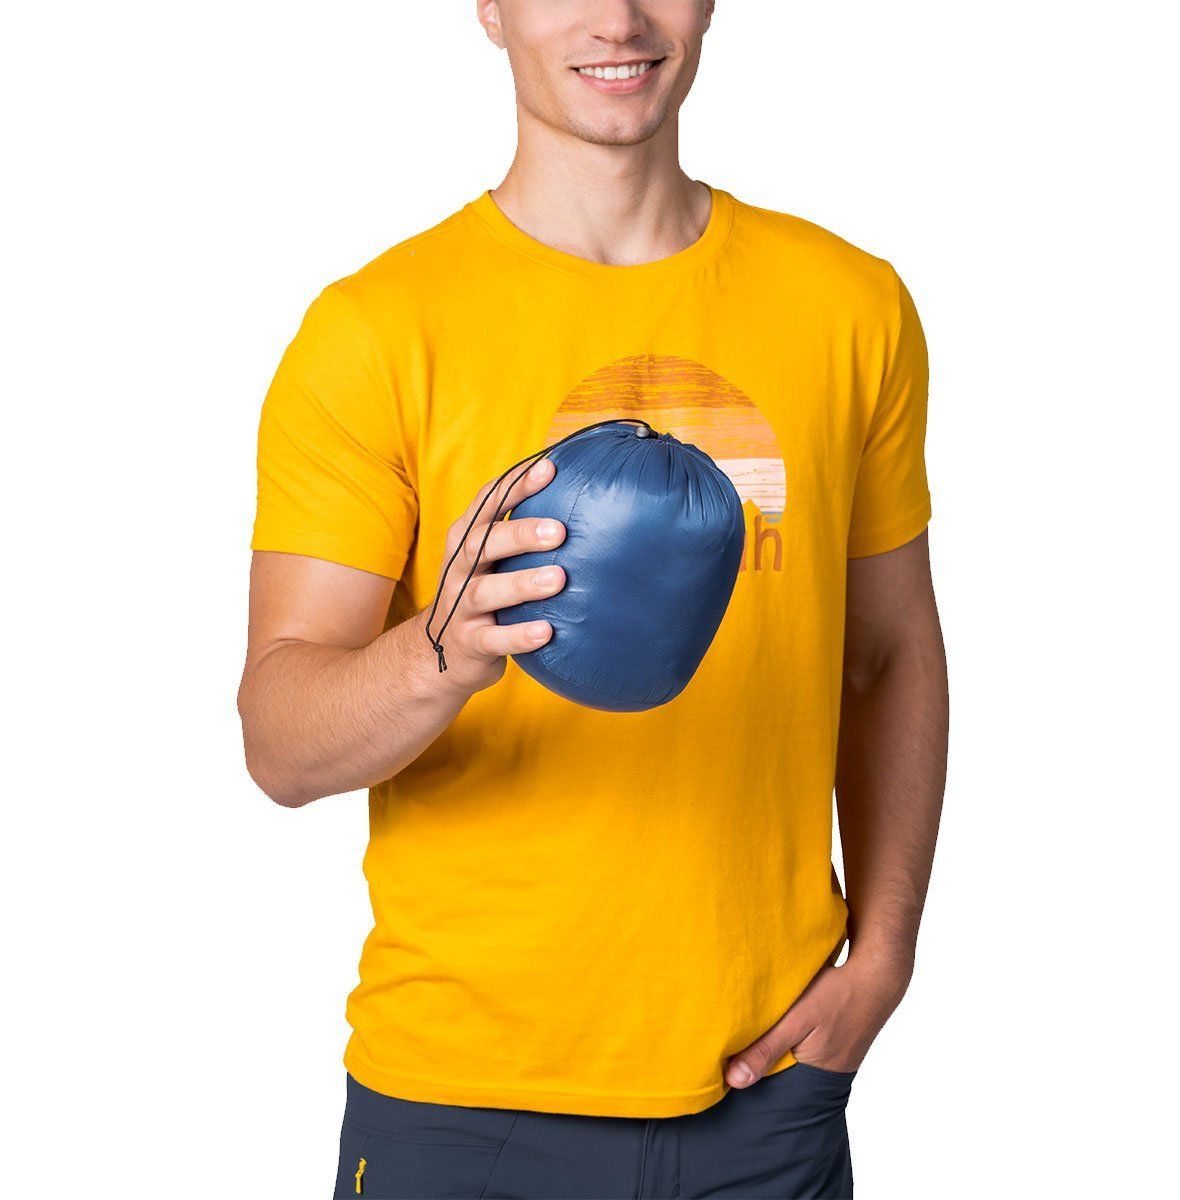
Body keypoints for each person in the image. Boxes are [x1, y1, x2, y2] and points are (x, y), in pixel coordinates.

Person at [237, 2, 949, 1196]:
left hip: (770, 1088)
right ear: (491, 8)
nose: (617, 19)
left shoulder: (849, 304)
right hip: (463, 1105)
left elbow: (888, 656)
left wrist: (883, 958)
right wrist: (440, 653)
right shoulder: (376, 332)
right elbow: (280, 746)